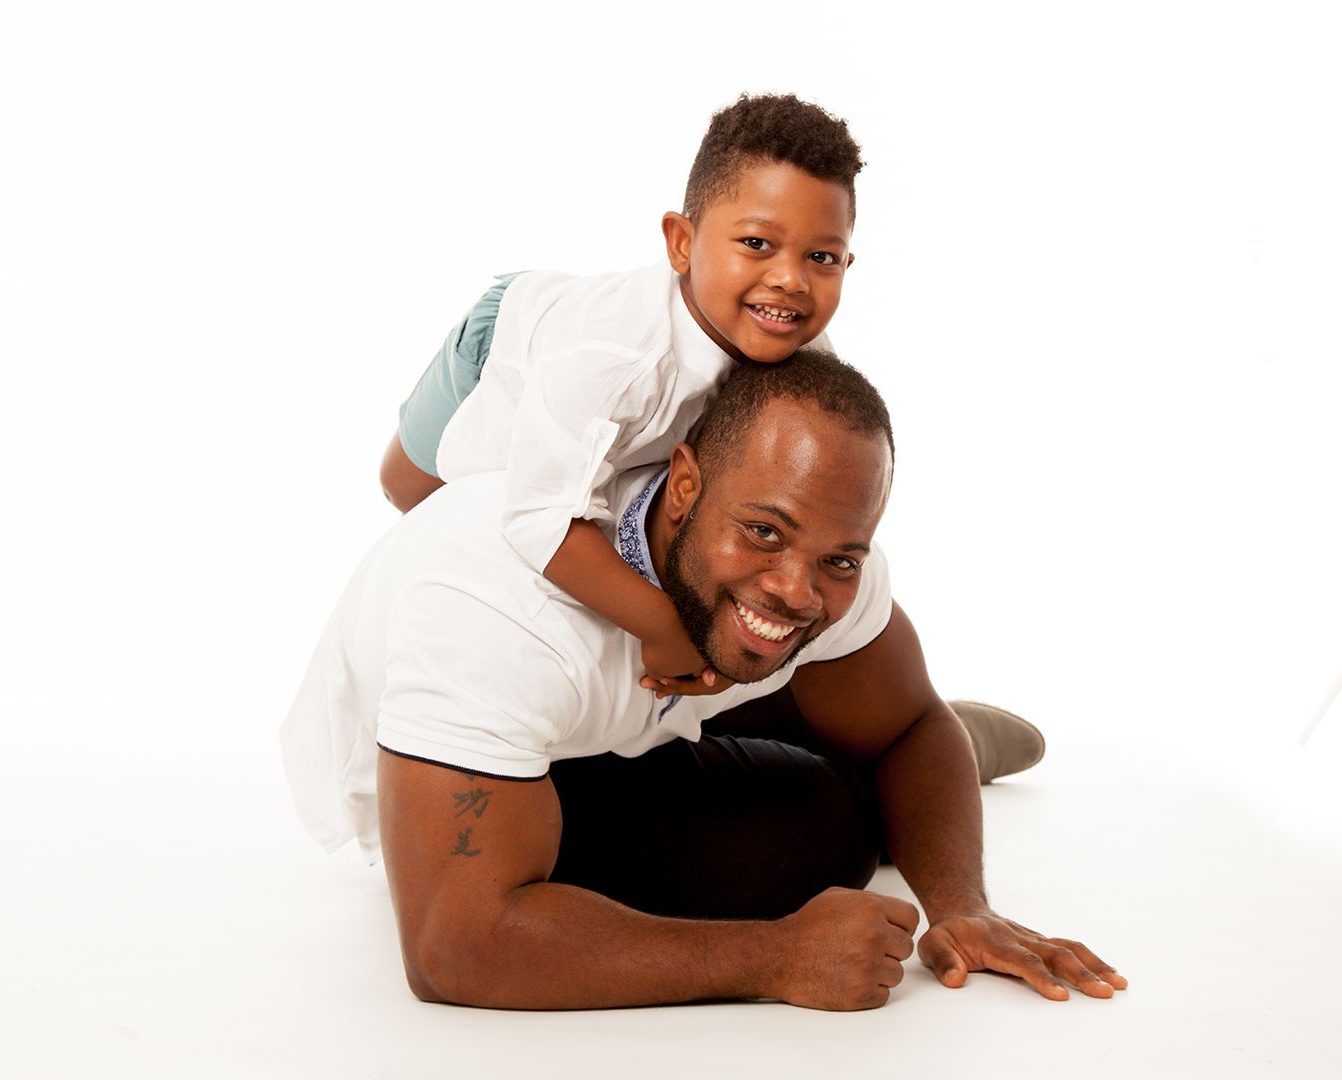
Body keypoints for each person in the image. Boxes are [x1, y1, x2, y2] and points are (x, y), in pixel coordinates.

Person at [282, 349, 1126, 1011]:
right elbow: (453, 948)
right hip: (510, 754)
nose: (799, 584)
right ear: (682, 486)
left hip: (648, 693)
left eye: (837, 557)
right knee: (822, 834)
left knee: (788, 651)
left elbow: (911, 723)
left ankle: (875, 739)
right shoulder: (497, 615)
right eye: (763, 532)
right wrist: (778, 958)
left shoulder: (820, 565)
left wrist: (962, 905)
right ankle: (852, 767)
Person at [379, 93, 863, 693]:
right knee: (416, 492)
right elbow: (538, 517)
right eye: (757, 245)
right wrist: (661, 626)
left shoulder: (803, 353)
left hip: (602, 376)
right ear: (681, 243)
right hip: (508, 337)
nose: (791, 279)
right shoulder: (611, 361)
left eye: (822, 257)